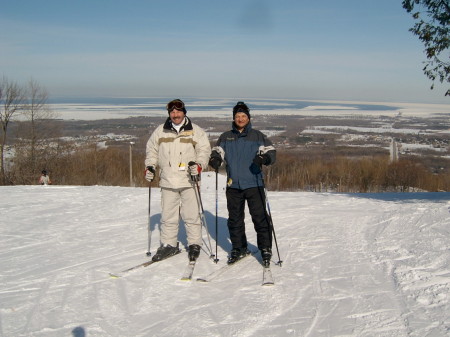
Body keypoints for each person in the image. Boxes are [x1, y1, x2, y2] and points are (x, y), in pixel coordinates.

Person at [208, 101, 276, 267]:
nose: (240, 119)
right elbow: (217, 151)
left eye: (243, 116)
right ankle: (239, 248)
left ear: (248, 118)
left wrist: (264, 158)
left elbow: (271, 152)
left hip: (254, 183)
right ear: (233, 118)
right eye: (237, 116)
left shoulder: (257, 136)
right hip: (233, 185)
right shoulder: (225, 137)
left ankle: (265, 248)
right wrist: (215, 159)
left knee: (260, 219)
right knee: (235, 220)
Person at [145, 99, 211, 262]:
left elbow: (204, 150)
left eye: (178, 112)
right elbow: (151, 151)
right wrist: (150, 167)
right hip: (168, 180)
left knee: (192, 215)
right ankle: (169, 244)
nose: (175, 115)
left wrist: (199, 165)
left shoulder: (196, 131)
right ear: (169, 114)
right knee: (168, 216)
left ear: (184, 112)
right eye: (172, 112)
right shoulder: (160, 131)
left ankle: (195, 243)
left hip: (190, 180)